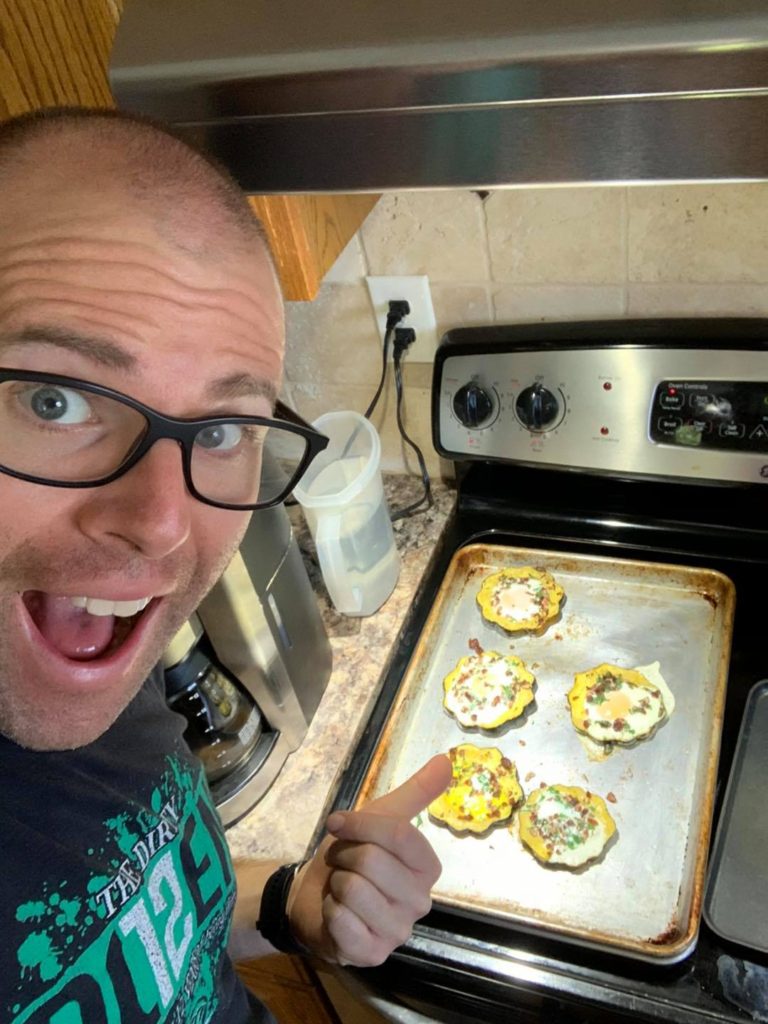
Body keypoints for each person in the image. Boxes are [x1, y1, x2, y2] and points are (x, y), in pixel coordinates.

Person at [0, 106, 451, 1024]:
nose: (164, 527)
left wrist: (289, 902)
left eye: (221, 429)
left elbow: (144, 915)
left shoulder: (95, 659)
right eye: (55, 399)